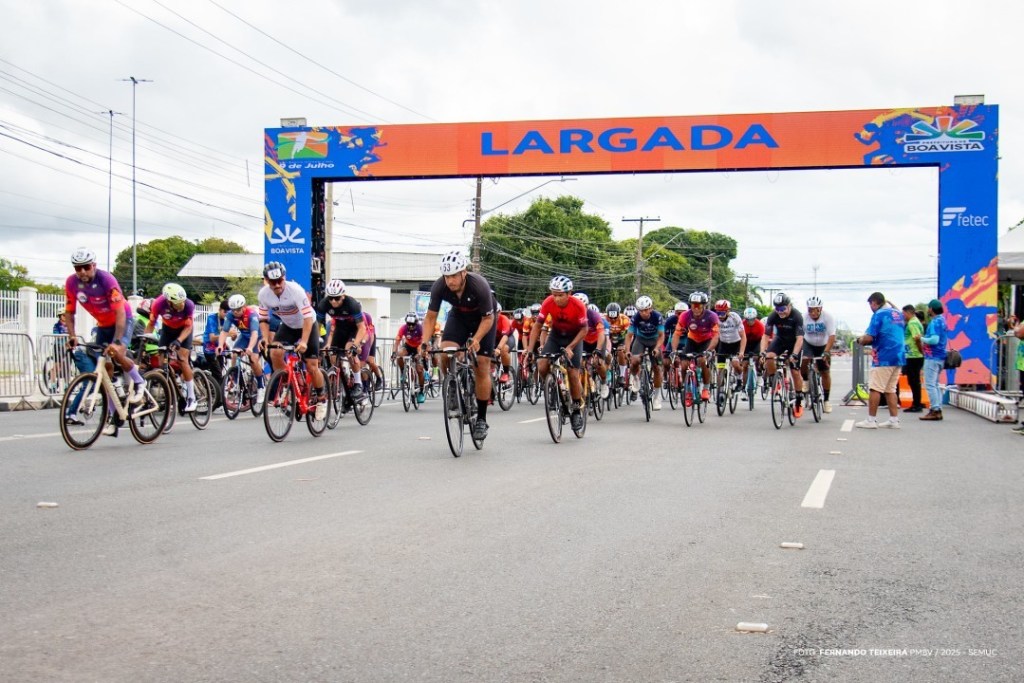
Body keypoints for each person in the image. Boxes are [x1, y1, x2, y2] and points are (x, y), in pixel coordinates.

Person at [63, 248, 146, 432]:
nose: (82, 272)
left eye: (86, 267)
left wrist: (117, 341)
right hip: (103, 324)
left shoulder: (107, 280)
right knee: (104, 371)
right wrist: (72, 336)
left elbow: (119, 313)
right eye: (78, 268)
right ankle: (112, 416)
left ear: (93, 265)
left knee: (117, 352)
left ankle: (139, 381)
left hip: (122, 319)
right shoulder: (71, 283)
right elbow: (69, 313)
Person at [421, 250, 496, 441]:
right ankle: (452, 385)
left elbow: (488, 318)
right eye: (447, 276)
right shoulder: (440, 287)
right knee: (446, 353)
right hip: (459, 317)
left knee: (482, 364)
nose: (450, 281)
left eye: (454, 275)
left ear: (464, 272)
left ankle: (481, 418)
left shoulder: (479, 285)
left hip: (483, 319)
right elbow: (430, 317)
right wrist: (424, 342)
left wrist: (477, 339)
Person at [258, 261, 326, 420]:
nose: (276, 285)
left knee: (311, 365)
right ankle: (287, 385)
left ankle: (322, 398)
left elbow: (308, 318)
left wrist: (303, 341)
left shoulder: (295, 290)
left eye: (279, 280)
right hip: (288, 326)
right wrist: (265, 339)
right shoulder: (263, 294)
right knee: (274, 352)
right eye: (272, 282)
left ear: (284, 278)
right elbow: (263, 319)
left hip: (307, 325)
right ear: (266, 281)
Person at [524, 276, 589, 431]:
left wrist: (571, 347)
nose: (557, 298)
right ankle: (553, 387)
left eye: (560, 295)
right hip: (556, 335)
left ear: (569, 293)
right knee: (542, 364)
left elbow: (584, 330)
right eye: (554, 294)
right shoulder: (548, 302)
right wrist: (530, 350)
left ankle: (576, 409)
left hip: (574, 337)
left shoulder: (578, 305)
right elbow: (537, 326)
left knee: (573, 373)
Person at [855, 292, 906, 429]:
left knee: (875, 388)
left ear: (874, 303)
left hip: (884, 355)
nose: (870, 307)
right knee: (890, 389)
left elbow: (870, 337)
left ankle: (871, 420)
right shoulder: (898, 314)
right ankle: (894, 419)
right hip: (899, 355)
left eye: (870, 304)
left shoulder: (879, 315)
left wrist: (860, 340)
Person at [146, 283, 198, 412]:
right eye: (178, 303)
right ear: (169, 302)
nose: (181, 305)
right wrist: (144, 340)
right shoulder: (158, 304)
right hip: (167, 329)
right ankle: (174, 382)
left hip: (184, 330)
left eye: (182, 302)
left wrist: (179, 341)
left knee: (182, 359)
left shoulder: (189, 305)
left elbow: (188, 327)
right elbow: (151, 324)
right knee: (161, 361)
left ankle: (191, 397)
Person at [315, 278, 369, 405]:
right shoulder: (324, 304)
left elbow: (362, 328)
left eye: (337, 298)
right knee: (332, 355)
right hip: (340, 328)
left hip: (354, 330)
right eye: (331, 298)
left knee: (349, 350)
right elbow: (317, 326)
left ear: (343, 296)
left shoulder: (352, 304)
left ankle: (358, 383)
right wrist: (315, 343)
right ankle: (342, 377)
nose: (333, 301)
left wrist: (355, 345)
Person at [761, 292, 806, 418]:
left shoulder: (797, 316)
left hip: (795, 342)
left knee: (795, 371)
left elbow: (800, 338)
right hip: (780, 340)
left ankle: (798, 401)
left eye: (783, 309)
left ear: (789, 306)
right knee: (769, 357)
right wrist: (762, 352)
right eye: (777, 309)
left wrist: (795, 354)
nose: (780, 312)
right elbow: (765, 336)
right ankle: (775, 381)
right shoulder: (773, 316)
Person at [219, 294, 266, 405]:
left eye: (238, 310)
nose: (236, 312)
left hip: (257, 337)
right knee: (235, 354)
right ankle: (235, 379)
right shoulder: (230, 315)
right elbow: (224, 332)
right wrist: (220, 345)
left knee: (253, 359)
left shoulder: (252, 315)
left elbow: (254, 334)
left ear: (244, 306)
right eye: (233, 310)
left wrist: (250, 348)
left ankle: (261, 386)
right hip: (244, 336)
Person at [673, 291, 719, 403]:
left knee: (702, 361)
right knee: (684, 365)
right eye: (694, 305)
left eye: (699, 305)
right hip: (692, 340)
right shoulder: (685, 315)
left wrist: (709, 350)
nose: (696, 308)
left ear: (704, 306)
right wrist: (674, 350)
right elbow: (676, 334)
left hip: (706, 341)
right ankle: (686, 388)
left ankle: (706, 388)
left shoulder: (712, 316)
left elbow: (716, 336)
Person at [625, 295, 666, 409]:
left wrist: (657, 348)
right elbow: (629, 336)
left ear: (650, 308)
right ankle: (636, 379)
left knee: (657, 368)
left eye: (646, 310)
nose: (644, 313)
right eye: (641, 311)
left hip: (654, 340)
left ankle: (657, 397)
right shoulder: (636, 318)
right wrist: (627, 350)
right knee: (634, 361)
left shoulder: (657, 317)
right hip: (641, 340)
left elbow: (662, 336)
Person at [801, 296, 836, 414]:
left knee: (825, 371)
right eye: (810, 310)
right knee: (804, 359)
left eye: (815, 310)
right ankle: (805, 380)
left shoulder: (828, 317)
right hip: (808, 343)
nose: (813, 312)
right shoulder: (804, 317)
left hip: (823, 345)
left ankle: (826, 400)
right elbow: (799, 334)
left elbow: (832, 336)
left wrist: (826, 352)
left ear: (820, 309)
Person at [917, 298, 948, 422]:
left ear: (931, 309)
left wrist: (922, 338)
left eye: (929, 308)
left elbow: (934, 340)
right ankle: (938, 408)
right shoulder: (942, 321)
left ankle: (935, 410)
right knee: (935, 384)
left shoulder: (935, 322)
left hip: (932, 356)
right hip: (940, 356)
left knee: (930, 384)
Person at [394, 311, 428, 403]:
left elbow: (424, 343)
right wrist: (394, 352)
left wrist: (420, 354)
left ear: (416, 323)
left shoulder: (421, 328)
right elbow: (397, 340)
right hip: (408, 346)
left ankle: (421, 392)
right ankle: (403, 373)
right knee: (399, 355)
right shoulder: (403, 328)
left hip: (418, 346)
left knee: (419, 370)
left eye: (413, 324)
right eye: (409, 324)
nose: (411, 326)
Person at [713, 299, 746, 392]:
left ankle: (739, 379)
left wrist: (742, 352)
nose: (720, 316)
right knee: (720, 370)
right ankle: (722, 391)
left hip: (736, 343)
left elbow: (743, 336)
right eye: (718, 313)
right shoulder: (715, 318)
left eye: (722, 313)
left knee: (735, 363)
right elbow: (713, 335)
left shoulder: (735, 317)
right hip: (723, 344)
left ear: (728, 311)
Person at [901, 304, 925, 413]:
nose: (903, 316)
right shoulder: (914, 321)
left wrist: (920, 351)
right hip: (912, 354)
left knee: (914, 381)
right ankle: (916, 403)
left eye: (903, 313)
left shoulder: (913, 322)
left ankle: (917, 404)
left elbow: (916, 337)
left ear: (908, 312)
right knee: (913, 380)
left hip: (914, 355)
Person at [203, 300, 229, 383]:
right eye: (225, 311)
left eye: (228, 312)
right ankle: (219, 394)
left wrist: (233, 336)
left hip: (220, 349)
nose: (226, 314)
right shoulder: (212, 318)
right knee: (218, 374)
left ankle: (215, 392)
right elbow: (212, 338)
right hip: (210, 349)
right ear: (220, 309)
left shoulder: (227, 320)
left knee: (219, 372)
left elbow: (232, 338)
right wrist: (227, 334)